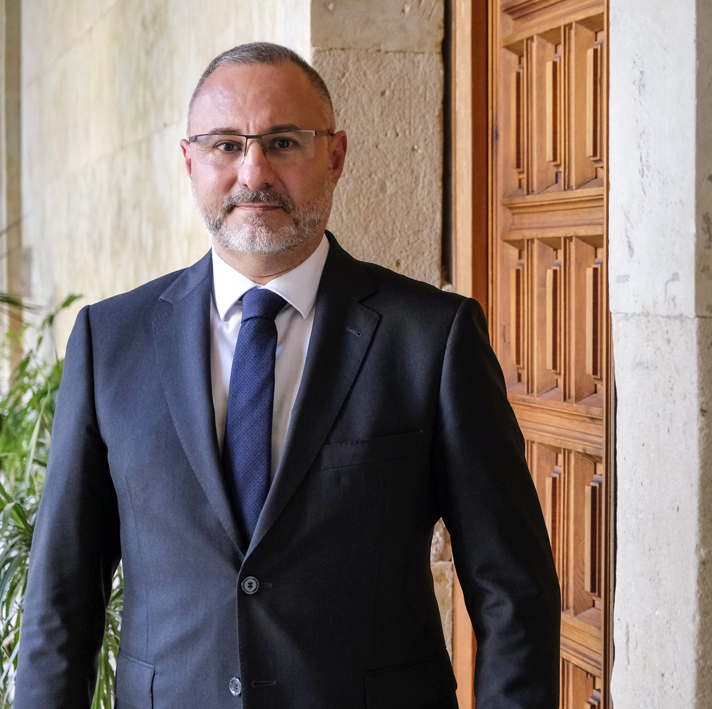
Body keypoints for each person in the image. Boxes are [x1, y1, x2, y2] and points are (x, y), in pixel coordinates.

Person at [15, 42, 559, 709]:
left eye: (282, 142)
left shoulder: (431, 340)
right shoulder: (110, 341)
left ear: (335, 156)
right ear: (189, 162)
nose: (254, 172)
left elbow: (513, 593)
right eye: (225, 145)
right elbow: (61, 600)